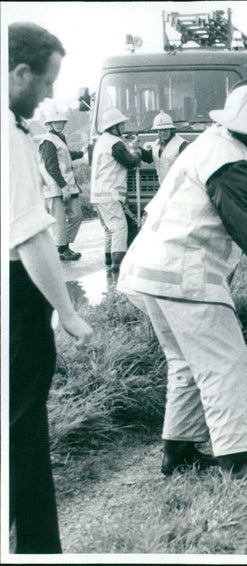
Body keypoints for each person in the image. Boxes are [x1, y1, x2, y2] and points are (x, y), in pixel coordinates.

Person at [117, 78, 247, 478]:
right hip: (184, 276)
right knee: (226, 362)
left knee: (186, 364)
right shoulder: (232, 164)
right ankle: (238, 460)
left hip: (148, 270)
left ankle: (177, 451)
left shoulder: (213, 143)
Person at [8, 22, 93, 554]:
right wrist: (67, 311)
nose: (50, 95)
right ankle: (38, 549)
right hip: (13, 299)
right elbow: (30, 237)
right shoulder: (13, 136)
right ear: (19, 72)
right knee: (22, 428)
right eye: (46, 82)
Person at [89, 106, 142, 271]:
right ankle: (118, 266)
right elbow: (131, 162)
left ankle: (108, 260)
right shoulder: (115, 143)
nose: (124, 128)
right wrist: (137, 151)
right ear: (114, 127)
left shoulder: (102, 141)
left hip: (98, 194)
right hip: (110, 194)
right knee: (119, 228)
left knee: (109, 230)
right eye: (122, 125)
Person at [38, 106, 85, 261]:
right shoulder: (47, 141)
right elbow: (51, 166)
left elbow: (65, 155)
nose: (58, 124)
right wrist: (63, 186)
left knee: (77, 215)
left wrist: (82, 152)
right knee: (58, 219)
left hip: (67, 185)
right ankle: (61, 249)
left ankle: (62, 246)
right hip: (56, 186)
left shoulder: (59, 138)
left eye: (60, 122)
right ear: (49, 124)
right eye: (55, 122)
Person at [140, 111, 189, 183]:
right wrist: (138, 150)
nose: (163, 133)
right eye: (160, 130)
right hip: (164, 186)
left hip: (180, 186)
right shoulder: (156, 144)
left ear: (171, 129)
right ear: (156, 131)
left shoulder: (182, 144)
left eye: (166, 129)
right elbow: (149, 158)